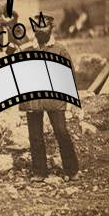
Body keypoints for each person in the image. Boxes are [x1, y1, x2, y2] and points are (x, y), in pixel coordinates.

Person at [19, 14, 79, 182]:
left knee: (61, 132)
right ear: (34, 30)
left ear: (51, 29)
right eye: (38, 28)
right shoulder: (27, 50)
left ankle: (72, 170)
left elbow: (69, 75)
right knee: (35, 136)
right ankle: (39, 172)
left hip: (55, 98)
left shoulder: (60, 50)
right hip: (33, 99)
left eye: (45, 27)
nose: (41, 31)